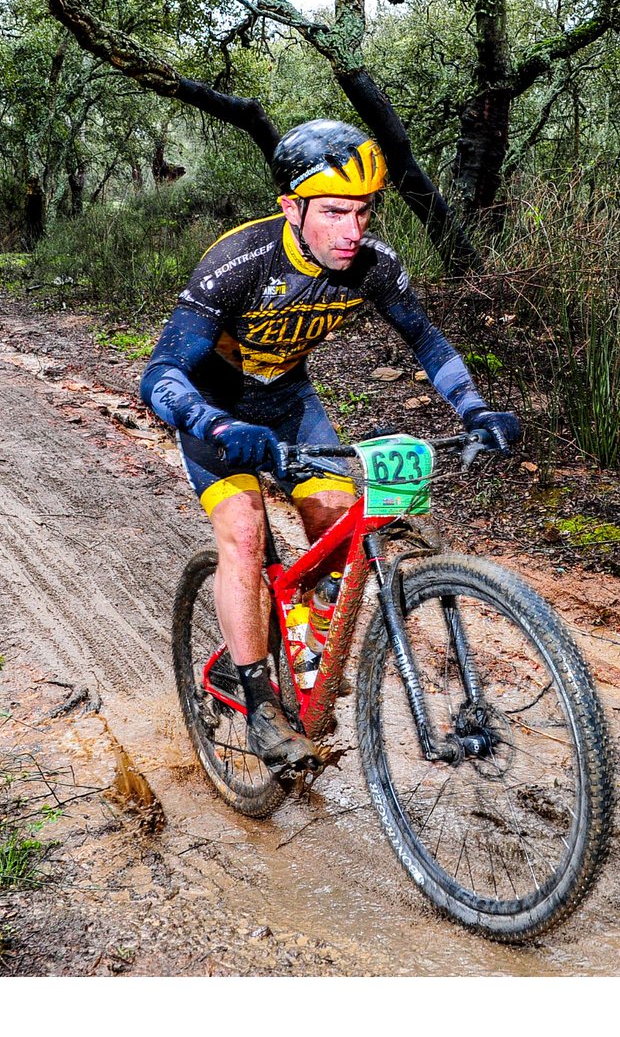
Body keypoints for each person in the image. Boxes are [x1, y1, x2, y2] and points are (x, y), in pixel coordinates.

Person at [141, 119, 519, 773]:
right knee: (245, 531)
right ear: (292, 207)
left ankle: (308, 652)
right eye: (336, 212)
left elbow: (426, 342)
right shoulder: (239, 263)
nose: (353, 229)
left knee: (338, 521)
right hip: (218, 412)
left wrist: (475, 409)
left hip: (287, 402)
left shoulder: (373, 266)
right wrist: (216, 427)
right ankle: (260, 702)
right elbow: (159, 374)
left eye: (364, 211)